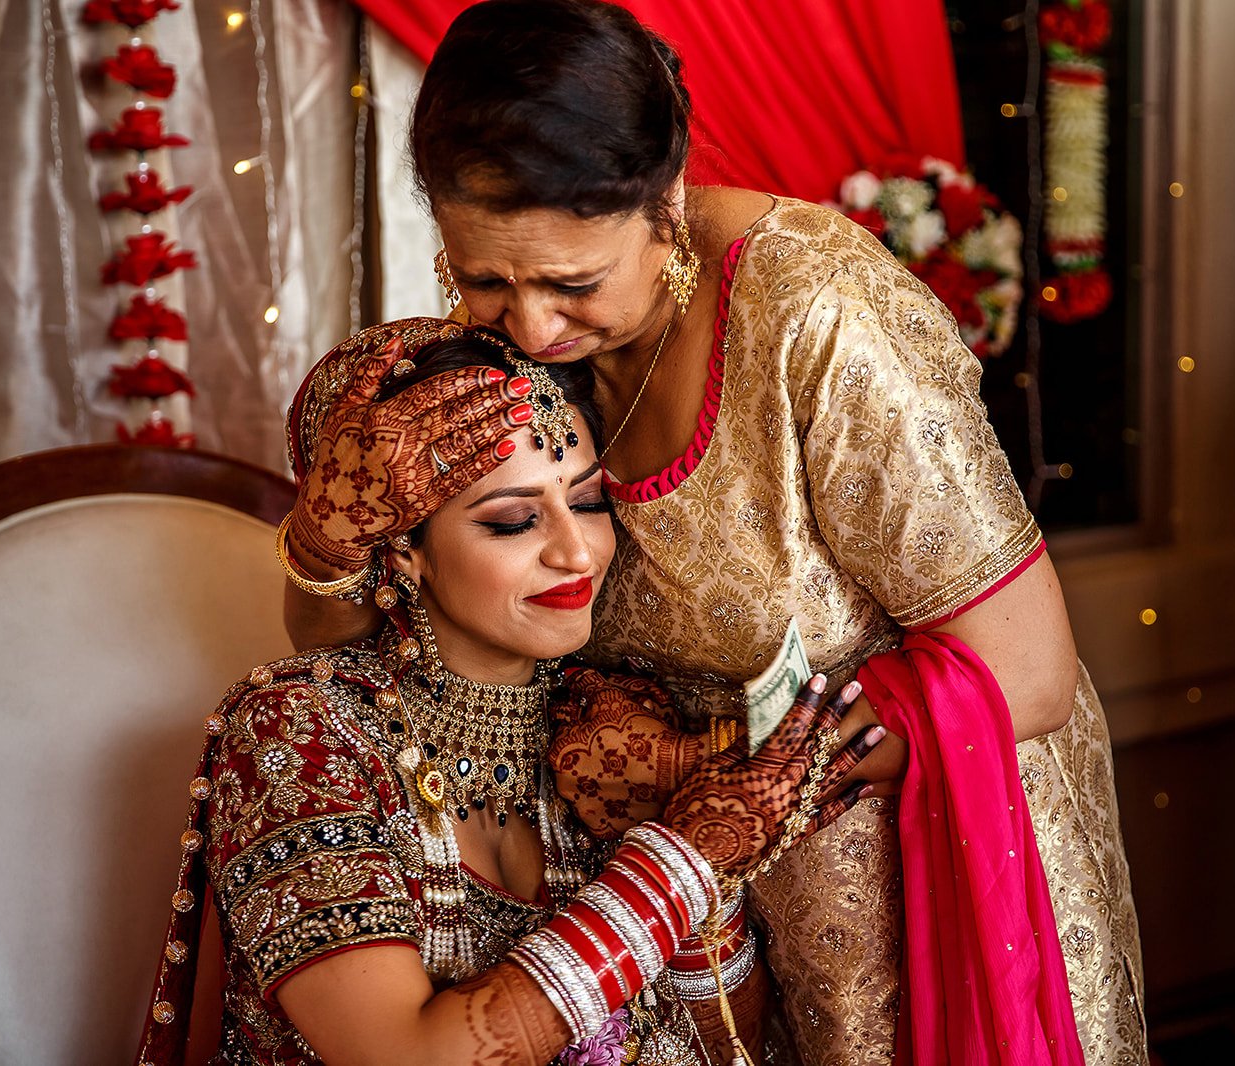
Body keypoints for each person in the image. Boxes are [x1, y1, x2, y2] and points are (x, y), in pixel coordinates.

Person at [276, 3, 1145, 1063]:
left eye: (573, 284)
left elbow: (1027, 671)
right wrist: (326, 537)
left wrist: (715, 767)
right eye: (485, 277)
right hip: (669, 920)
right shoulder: (489, 354)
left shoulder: (817, 315)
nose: (533, 328)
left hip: (914, 891)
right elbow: (355, 660)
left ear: (667, 201)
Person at [134, 323, 884, 1066]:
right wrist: (685, 858)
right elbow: (402, 1056)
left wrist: (707, 887)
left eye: (587, 503)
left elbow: (726, 1052)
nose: (576, 551)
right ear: (403, 550)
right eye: (514, 520)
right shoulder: (300, 731)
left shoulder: (609, 728)